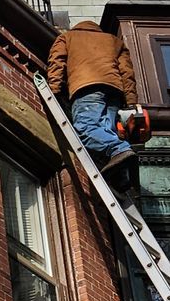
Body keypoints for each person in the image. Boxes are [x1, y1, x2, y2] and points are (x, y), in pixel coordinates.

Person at [45, 19, 141, 187]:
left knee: (85, 129)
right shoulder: (114, 41)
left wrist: (53, 90)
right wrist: (131, 103)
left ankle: (120, 149)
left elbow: (56, 63)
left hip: (87, 89)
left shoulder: (67, 37)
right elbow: (127, 74)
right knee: (105, 130)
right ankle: (120, 176)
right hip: (114, 94)